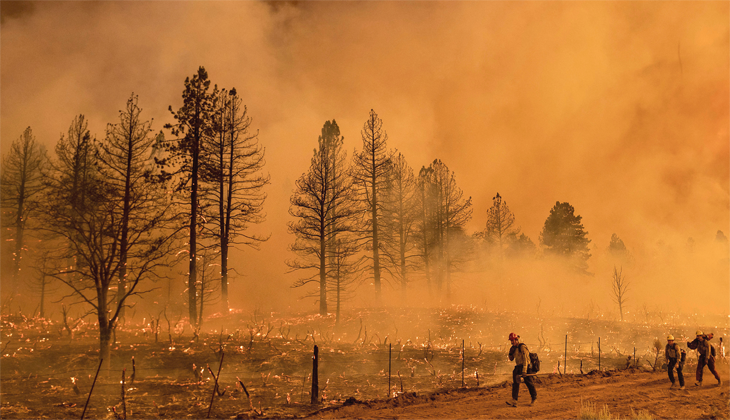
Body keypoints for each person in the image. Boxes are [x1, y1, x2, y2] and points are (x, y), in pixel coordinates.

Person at [506, 332, 537, 407]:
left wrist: (524, 371)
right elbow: (511, 359)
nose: (512, 342)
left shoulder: (522, 347)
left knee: (529, 383)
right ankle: (514, 400)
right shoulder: (514, 348)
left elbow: (526, 359)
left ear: (517, 340)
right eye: (511, 341)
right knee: (515, 383)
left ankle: (534, 398)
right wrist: (510, 353)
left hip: (526, 366)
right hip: (518, 366)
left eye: (513, 340)